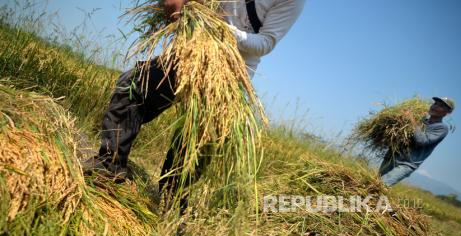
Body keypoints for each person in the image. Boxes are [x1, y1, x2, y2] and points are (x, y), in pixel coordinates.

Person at [84, 0, 305, 208]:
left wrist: (216, 27)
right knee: (133, 87)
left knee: (198, 143)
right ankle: (109, 165)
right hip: (191, 51)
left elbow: (265, 43)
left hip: (230, 72)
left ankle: (171, 207)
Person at [379, 97, 455, 186]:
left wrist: (411, 120)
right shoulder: (420, 119)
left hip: (407, 164)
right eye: (435, 104)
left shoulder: (441, 128)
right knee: (376, 180)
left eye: (441, 106)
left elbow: (421, 140)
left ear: (447, 112)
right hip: (392, 155)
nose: (435, 107)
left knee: (380, 185)